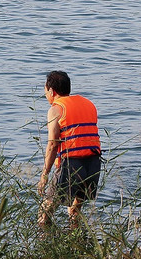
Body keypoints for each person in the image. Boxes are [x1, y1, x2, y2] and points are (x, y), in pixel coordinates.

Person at [37, 70, 101, 227]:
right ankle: (78, 243)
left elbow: (53, 144)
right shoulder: (88, 103)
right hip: (93, 163)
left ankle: (43, 244)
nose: (46, 95)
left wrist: (44, 174)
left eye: (45, 91)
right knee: (75, 211)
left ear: (51, 91)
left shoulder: (56, 109)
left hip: (72, 164)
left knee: (45, 212)